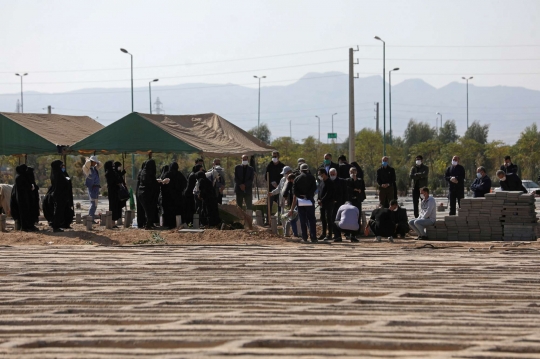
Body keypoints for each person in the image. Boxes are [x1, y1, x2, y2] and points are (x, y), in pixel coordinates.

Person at [289, 163, 318, 243]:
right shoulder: (312, 177)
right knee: (311, 219)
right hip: (309, 200)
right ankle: (313, 237)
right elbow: (314, 188)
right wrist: (308, 195)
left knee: (302, 219)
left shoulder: (297, 178)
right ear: (307, 169)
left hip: (300, 201)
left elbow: (294, 191)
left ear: (300, 170)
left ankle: (304, 237)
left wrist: (301, 196)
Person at [10, 164, 37, 232]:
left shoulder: (19, 177)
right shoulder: (20, 177)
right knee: (24, 213)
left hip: (22, 198)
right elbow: (25, 187)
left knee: (24, 212)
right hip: (23, 198)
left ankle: (26, 226)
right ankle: (25, 227)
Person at [49, 160, 71, 233]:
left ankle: (56, 224)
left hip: (60, 195)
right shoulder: (58, 174)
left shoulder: (56, 173)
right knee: (58, 211)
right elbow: (61, 184)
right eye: (61, 165)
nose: (62, 167)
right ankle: (56, 226)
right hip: (59, 195)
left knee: (59, 210)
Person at [138, 159, 160, 230]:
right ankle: (148, 224)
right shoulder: (149, 173)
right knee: (149, 209)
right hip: (147, 193)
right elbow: (151, 183)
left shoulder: (143, 172)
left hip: (142, 192)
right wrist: (160, 183)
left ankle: (149, 223)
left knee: (147, 210)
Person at [346, 166, 366, 234]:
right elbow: (348, 188)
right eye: (351, 172)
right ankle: (348, 231)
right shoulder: (347, 180)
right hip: (350, 200)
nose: (352, 174)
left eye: (354, 172)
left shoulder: (360, 180)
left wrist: (355, 180)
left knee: (358, 214)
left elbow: (361, 189)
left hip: (357, 200)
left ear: (356, 173)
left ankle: (357, 230)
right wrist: (354, 189)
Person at [329, 168, 347, 242]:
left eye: (333, 174)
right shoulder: (328, 181)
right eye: (331, 174)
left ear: (336, 174)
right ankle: (335, 234)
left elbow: (345, 192)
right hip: (331, 204)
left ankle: (339, 235)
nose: (332, 175)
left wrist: (344, 202)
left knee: (338, 219)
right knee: (332, 220)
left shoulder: (342, 181)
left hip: (340, 204)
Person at [316, 168, 335, 241]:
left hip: (328, 203)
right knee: (323, 219)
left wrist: (322, 200)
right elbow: (319, 191)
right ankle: (323, 233)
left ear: (324, 174)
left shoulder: (330, 182)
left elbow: (329, 193)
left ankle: (329, 234)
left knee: (328, 218)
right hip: (322, 204)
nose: (319, 176)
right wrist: (318, 199)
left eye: (320, 174)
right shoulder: (321, 181)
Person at [104, 160, 123, 224]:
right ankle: (112, 222)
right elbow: (115, 181)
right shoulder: (110, 173)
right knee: (113, 206)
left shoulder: (110, 172)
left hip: (114, 191)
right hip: (113, 191)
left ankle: (113, 222)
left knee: (114, 206)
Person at [83, 156, 101, 222]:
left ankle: (92, 217)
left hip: (96, 187)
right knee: (93, 203)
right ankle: (91, 218)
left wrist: (96, 162)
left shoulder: (94, 169)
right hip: (91, 187)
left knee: (95, 203)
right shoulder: (86, 169)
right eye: (93, 162)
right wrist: (88, 160)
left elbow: (100, 164)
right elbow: (87, 163)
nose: (95, 163)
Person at [136, 161, 147, 228]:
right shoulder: (144, 173)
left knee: (139, 209)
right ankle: (143, 222)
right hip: (142, 193)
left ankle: (140, 223)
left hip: (138, 192)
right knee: (142, 209)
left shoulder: (140, 172)